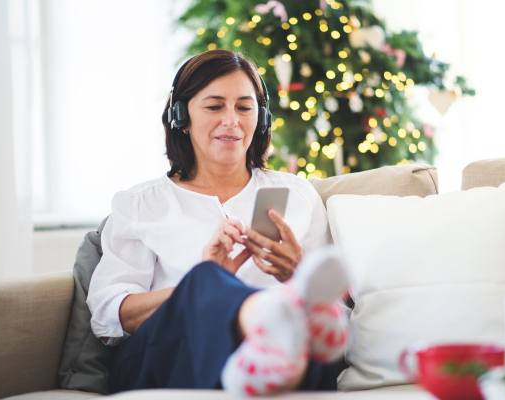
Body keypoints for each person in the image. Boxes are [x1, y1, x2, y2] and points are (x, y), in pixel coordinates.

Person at [86, 49, 349, 396]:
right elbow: (109, 318)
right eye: (214, 106)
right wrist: (200, 288)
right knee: (205, 278)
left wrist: (296, 274)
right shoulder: (140, 205)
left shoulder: (296, 195)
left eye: (244, 107)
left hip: (285, 356)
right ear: (181, 116)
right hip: (166, 355)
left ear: (262, 118)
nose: (231, 121)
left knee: (309, 332)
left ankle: (273, 340)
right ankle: (266, 317)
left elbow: (338, 320)